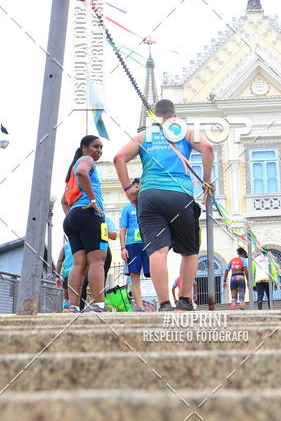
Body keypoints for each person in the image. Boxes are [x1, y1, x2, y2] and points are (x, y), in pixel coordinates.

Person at [113, 99, 213, 312]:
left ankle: (165, 304)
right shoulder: (186, 132)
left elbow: (119, 157)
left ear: (154, 118)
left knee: (157, 252)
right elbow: (208, 147)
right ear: (174, 115)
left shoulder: (143, 136)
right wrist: (206, 181)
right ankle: (184, 300)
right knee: (189, 251)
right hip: (180, 194)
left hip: (149, 196)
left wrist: (128, 189)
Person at [61, 134, 109, 313]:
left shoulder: (71, 170)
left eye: (101, 147)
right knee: (97, 261)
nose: (99, 150)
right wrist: (93, 200)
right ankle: (99, 305)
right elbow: (82, 172)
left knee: (78, 264)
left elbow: (63, 201)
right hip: (90, 215)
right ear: (84, 148)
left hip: (72, 218)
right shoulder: (86, 160)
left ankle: (73, 306)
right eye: (96, 146)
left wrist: (74, 215)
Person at [119, 178, 150, 311]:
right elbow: (122, 229)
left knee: (154, 273)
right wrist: (123, 248)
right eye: (135, 187)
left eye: (139, 187)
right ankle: (140, 307)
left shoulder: (147, 206)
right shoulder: (126, 209)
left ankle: (163, 302)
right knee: (134, 276)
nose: (137, 190)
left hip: (147, 244)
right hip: (132, 245)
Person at [79, 216, 117, 310]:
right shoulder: (84, 217)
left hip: (104, 251)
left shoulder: (106, 219)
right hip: (88, 251)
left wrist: (98, 229)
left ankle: (100, 306)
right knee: (83, 282)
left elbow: (114, 236)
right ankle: (79, 308)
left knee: (101, 282)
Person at [55, 239, 73, 310]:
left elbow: (59, 261)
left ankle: (66, 310)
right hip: (80, 273)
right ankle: (78, 309)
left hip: (67, 273)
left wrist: (57, 276)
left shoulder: (65, 246)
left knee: (66, 298)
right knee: (79, 295)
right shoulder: (81, 242)